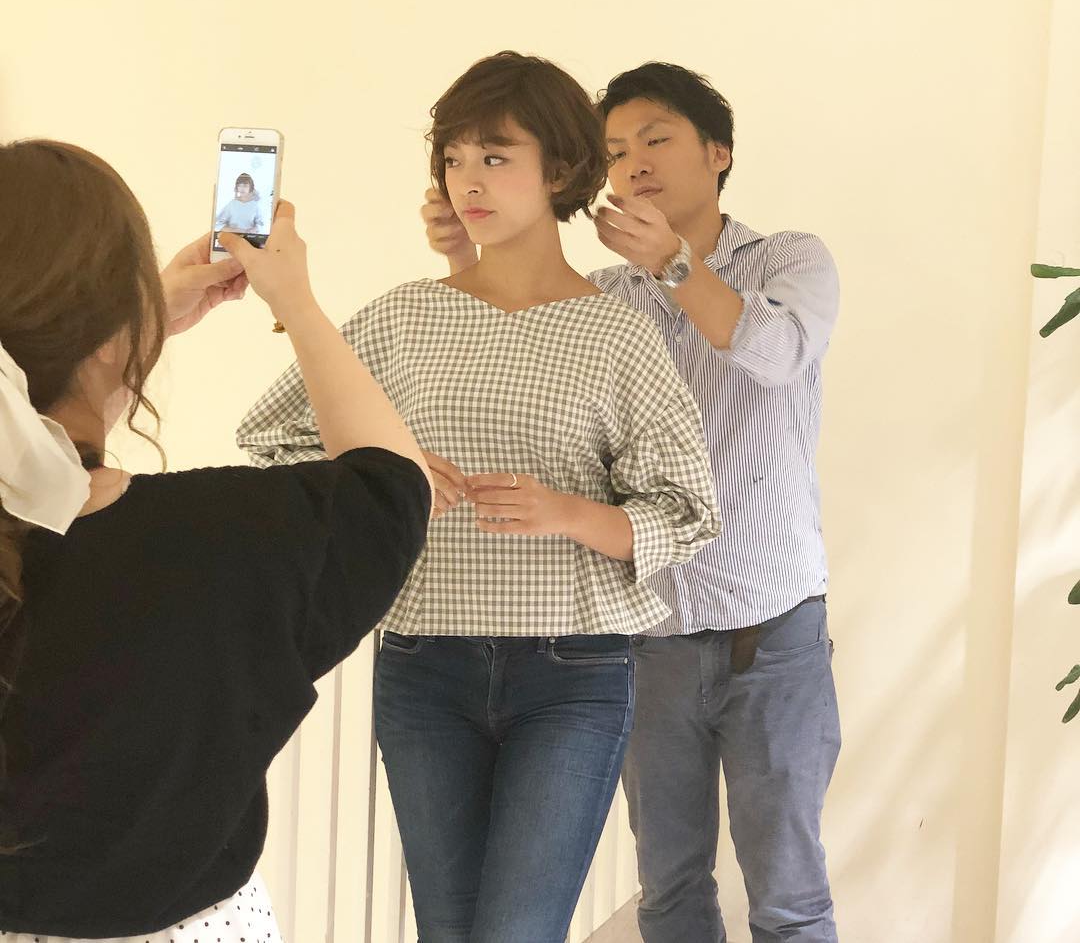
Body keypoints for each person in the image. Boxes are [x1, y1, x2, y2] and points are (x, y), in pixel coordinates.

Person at [238, 51, 720, 943]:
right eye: (454, 159)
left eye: (495, 157)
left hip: (572, 675)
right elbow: (279, 441)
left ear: (561, 170)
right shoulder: (402, 317)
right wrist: (393, 467)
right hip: (424, 665)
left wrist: (563, 511)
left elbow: (688, 515)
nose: (468, 181)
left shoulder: (617, 334)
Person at [422, 61, 842, 943]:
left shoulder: (789, 259)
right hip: (644, 638)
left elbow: (774, 357)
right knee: (670, 887)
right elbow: (523, 397)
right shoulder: (607, 296)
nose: (634, 163)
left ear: (718, 151)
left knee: (789, 896)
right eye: (615, 150)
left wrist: (674, 264)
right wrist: (465, 261)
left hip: (770, 631)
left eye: (657, 139)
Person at [0, 139, 432, 943]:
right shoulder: (222, 541)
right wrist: (295, 303)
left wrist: (127, 330)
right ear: (112, 333)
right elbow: (395, 485)